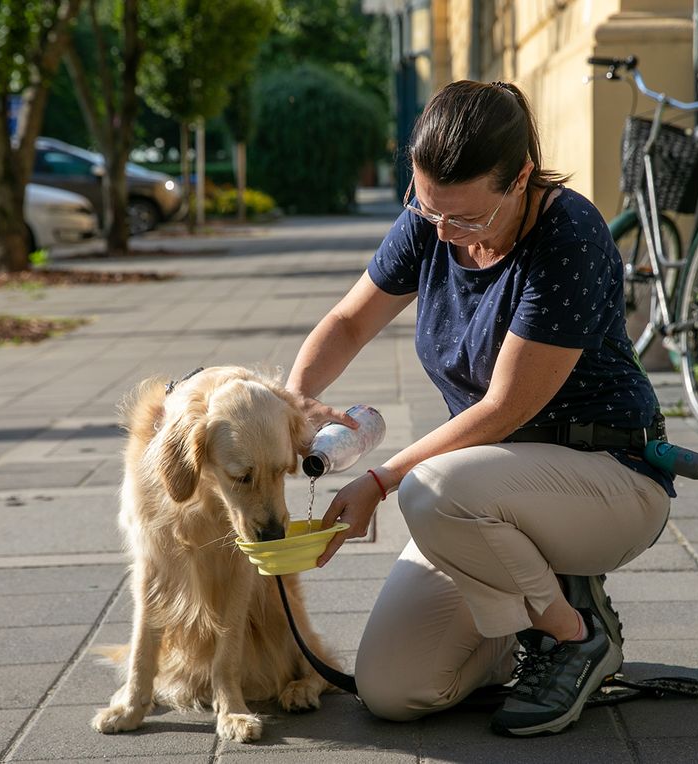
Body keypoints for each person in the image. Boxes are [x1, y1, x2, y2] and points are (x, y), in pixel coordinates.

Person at [284, 80, 675, 737]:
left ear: (521, 176)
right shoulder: (432, 221)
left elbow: (501, 410)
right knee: (394, 690)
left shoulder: (568, 234)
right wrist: (293, 406)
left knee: (428, 490)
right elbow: (350, 322)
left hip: (608, 479)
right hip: (487, 494)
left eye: (464, 218)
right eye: (426, 207)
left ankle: (573, 634)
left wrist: (381, 480)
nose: (444, 233)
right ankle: (521, 614)